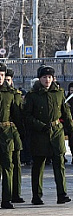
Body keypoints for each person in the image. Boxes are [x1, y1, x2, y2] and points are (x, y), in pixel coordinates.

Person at [23, 66, 73, 205]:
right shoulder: (32, 95)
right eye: (44, 77)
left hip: (56, 131)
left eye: (50, 77)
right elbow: (27, 116)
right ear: (40, 79)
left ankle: (62, 194)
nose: (47, 80)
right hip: (40, 134)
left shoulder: (58, 93)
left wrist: (70, 128)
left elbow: (65, 111)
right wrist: (40, 125)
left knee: (60, 163)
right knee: (38, 165)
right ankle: (37, 195)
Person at [0, 62, 22, 209]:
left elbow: (17, 116)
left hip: (6, 134)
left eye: (2, 75)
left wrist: (20, 135)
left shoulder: (11, 94)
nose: (0, 78)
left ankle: (6, 199)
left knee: (8, 167)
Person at [4, 69, 25, 203]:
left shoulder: (16, 94)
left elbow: (19, 115)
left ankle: (15, 193)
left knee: (15, 164)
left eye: (8, 79)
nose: (6, 82)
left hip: (13, 133)